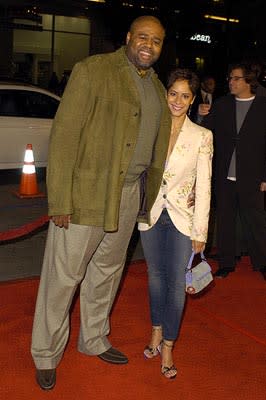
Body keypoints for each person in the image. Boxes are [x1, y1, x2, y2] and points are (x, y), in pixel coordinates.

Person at [31, 15, 172, 391]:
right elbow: (63, 137)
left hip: (130, 195)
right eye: (142, 37)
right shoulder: (94, 70)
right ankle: (45, 353)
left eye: (156, 41)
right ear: (128, 37)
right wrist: (60, 199)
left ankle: (93, 339)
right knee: (64, 277)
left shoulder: (157, 88)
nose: (148, 45)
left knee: (107, 273)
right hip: (86, 195)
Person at [138, 68, 213, 379]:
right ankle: (156, 329)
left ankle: (168, 344)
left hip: (183, 219)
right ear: (165, 94)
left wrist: (201, 232)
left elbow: (204, 186)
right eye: (173, 94)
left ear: (193, 100)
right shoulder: (151, 128)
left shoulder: (202, 136)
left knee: (176, 285)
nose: (178, 100)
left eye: (185, 96)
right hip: (151, 215)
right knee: (155, 278)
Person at [203, 62, 266, 280]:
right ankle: (226, 262)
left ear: (249, 81)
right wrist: (201, 115)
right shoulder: (222, 104)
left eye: (236, 78)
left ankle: (262, 262)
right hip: (224, 174)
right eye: (230, 78)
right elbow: (204, 131)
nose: (230, 82)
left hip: (253, 175)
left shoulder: (263, 105)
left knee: (256, 221)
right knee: (225, 220)